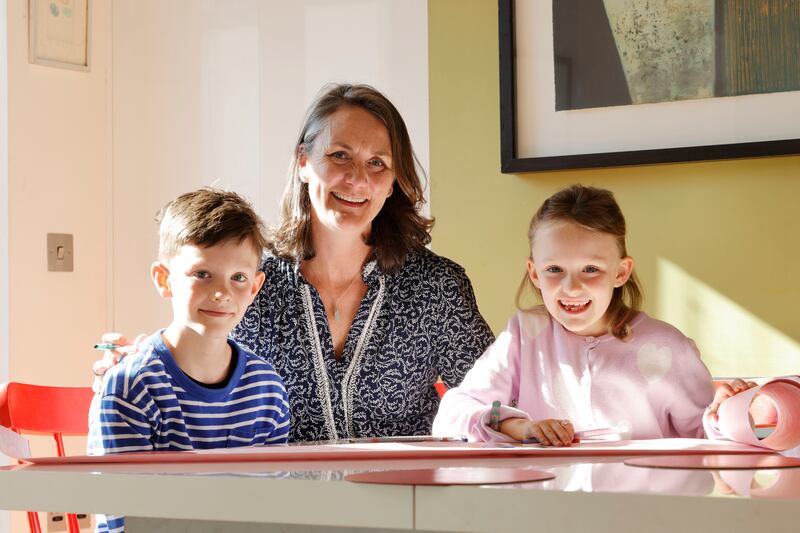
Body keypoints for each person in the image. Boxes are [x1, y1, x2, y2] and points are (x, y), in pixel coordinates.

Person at [93, 83, 494, 442]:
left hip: (405, 496)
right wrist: (134, 362)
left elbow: (495, 399)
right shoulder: (249, 279)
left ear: (393, 182)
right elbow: (192, 355)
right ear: (304, 161)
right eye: (340, 155)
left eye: (377, 163)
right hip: (282, 497)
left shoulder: (436, 286)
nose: (357, 179)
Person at [433, 184, 730, 445]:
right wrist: (517, 426)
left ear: (621, 272)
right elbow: (453, 413)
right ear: (535, 274)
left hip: (643, 493)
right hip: (549, 492)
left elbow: (708, 438)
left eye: (590, 269)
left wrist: (727, 413)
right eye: (554, 269)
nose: (572, 287)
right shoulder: (525, 334)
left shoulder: (669, 346)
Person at [88, 189, 291, 532]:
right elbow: (126, 520)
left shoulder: (266, 388)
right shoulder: (132, 386)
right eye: (202, 274)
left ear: (255, 287)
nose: (222, 293)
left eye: (238, 278)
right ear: (164, 279)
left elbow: (273, 506)